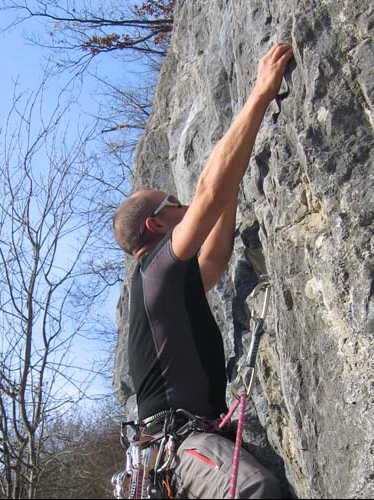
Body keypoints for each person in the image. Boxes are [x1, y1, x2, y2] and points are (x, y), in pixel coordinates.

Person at [112, 43, 293, 499]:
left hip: (178, 451)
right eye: (174, 204)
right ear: (156, 225)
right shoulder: (154, 273)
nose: (184, 207)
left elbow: (213, 257)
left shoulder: (163, 289)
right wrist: (260, 94)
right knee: (255, 490)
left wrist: (230, 185)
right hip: (180, 448)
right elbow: (209, 192)